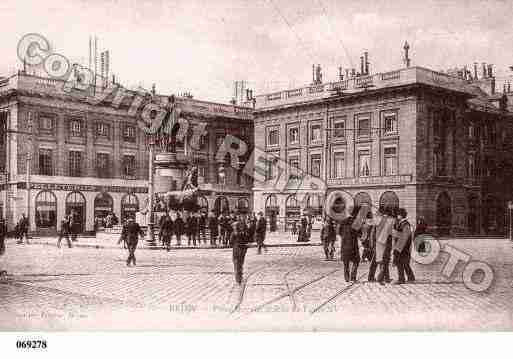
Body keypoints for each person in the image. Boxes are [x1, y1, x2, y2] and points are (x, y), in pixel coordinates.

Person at [392, 208, 416, 284]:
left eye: (398, 214)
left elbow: (405, 237)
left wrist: (395, 233)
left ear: (401, 215)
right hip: (402, 246)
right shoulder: (402, 223)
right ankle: (411, 277)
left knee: (400, 263)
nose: (397, 216)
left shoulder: (405, 224)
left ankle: (401, 279)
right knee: (405, 263)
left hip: (403, 247)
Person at [339, 207, 361, 282]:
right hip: (353, 245)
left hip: (345, 244)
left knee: (346, 262)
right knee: (356, 261)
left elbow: (339, 232)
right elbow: (359, 233)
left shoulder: (343, 221)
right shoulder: (356, 222)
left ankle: (346, 277)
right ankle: (353, 277)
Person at [375, 206, 395, 285]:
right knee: (385, 260)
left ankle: (386, 278)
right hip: (386, 242)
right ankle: (380, 278)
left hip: (379, 242)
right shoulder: (391, 220)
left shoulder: (378, 219)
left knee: (381, 260)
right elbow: (392, 232)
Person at [230, 218, 249, 285]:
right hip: (242, 250)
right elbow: (247, 240)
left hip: (236, 250)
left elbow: (231, 242)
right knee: (240, 264)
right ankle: (240, 277)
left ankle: (238, 279)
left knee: (236, 264)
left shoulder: (234, 233)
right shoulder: (244, 233)